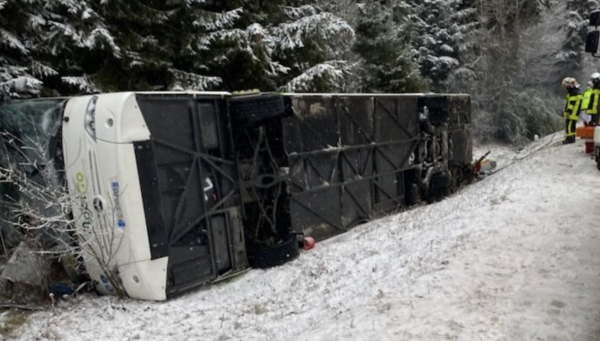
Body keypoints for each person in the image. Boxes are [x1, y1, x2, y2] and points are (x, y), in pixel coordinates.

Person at [562, 77, 582, 144]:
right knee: (572, 126)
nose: (566, 87)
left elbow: (571, 104)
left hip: (572, 113)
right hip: (575, 112)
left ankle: (569, 139)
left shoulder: (573, 92)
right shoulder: (576, 91)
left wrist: (568, 111)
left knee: (569, 125)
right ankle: (572, 137)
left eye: (566, 85)